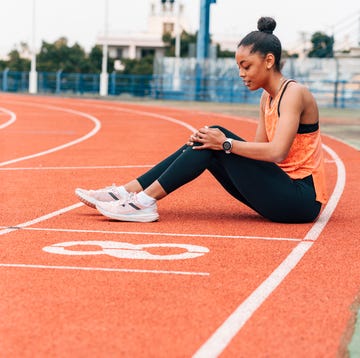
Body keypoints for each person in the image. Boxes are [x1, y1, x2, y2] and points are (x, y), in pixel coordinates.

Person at [75, 16, 327, 223]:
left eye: (246, 66)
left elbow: (276, 153)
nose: (241, 73)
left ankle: (142, 202)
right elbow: (257, 153)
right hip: (278, 190)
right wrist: (217, 143)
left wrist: (225, 143)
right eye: (238, 66)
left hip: (301, 199)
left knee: (215, 138)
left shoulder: (294, 93)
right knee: (208, 138)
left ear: (269, 61)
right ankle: (127, 192)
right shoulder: (266, 98)